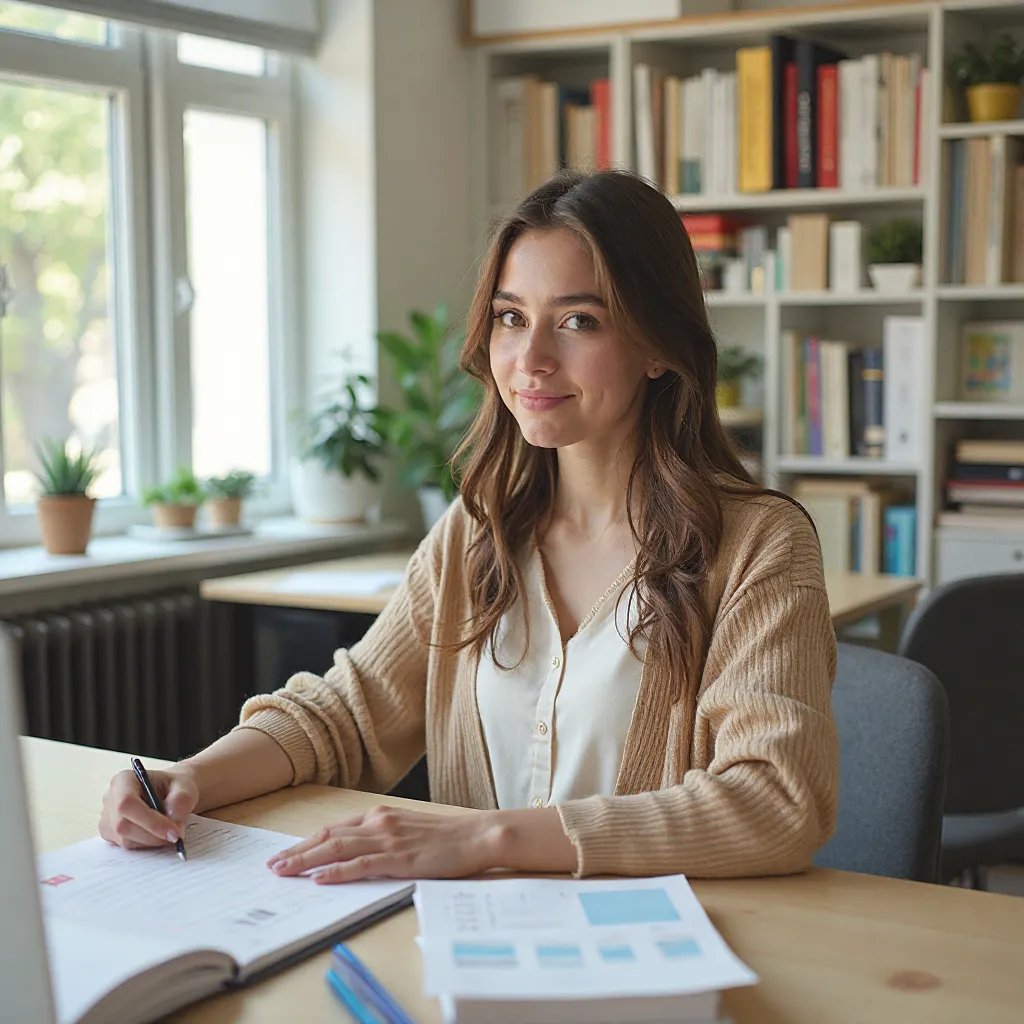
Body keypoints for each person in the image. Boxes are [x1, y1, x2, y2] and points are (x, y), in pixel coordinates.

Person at [99, 170, 838, 882]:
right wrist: (189, 777)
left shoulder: (759, 544)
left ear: (657, 345)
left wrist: (485, 840)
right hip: (469, 934)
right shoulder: (477, 531)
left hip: (660, 939)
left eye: (579, 321)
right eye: (511, 318)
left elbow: (778, 799)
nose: (531, 359)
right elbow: (350, 713)